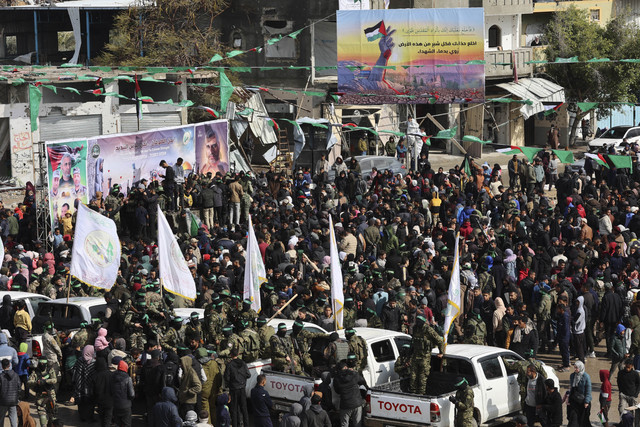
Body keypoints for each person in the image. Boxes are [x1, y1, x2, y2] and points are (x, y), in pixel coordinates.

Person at [333, 356, 367, 427]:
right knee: (357, 424)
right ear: (346, 367)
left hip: (345, 405)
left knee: (344, 424)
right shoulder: (354, 374)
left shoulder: (336, 379)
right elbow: (363, 382)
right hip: (357, 403)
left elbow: (337, 391)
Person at [223, 349, 249, 427]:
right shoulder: (243, 363)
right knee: (244, 409)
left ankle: (235, 424)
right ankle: (246, 424)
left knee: (234, 409)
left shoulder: (229, 365)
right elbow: (248, 374)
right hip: (242, 388)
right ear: (238, 354)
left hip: (234, 389)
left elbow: (226, 378)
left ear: (231, 355)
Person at [567, 361, 591, 427]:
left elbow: (588, 390)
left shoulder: (586, 377)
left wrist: (586, 401)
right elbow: (571, 388)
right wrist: (568, 399)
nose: (575, 369)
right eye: (574, 368)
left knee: (583, 421)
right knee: (573, 419)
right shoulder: (572, 376)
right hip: (574, 401)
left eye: (576, 368)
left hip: (582, 402)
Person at [111, 360, 135, 427]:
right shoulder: (128, 378)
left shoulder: (112, 376)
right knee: (126, 424)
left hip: (115, 404)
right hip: (126, 405)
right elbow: (132, 394)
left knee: (117, 423)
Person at [0, 358, 20, 427]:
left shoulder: (1, 376)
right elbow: (19, 388)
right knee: (13, 419)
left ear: (2, 366)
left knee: (1, 419)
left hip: (3, 401)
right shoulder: (16, 375)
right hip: (13, 401)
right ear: (10, 364)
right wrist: (17, 398)